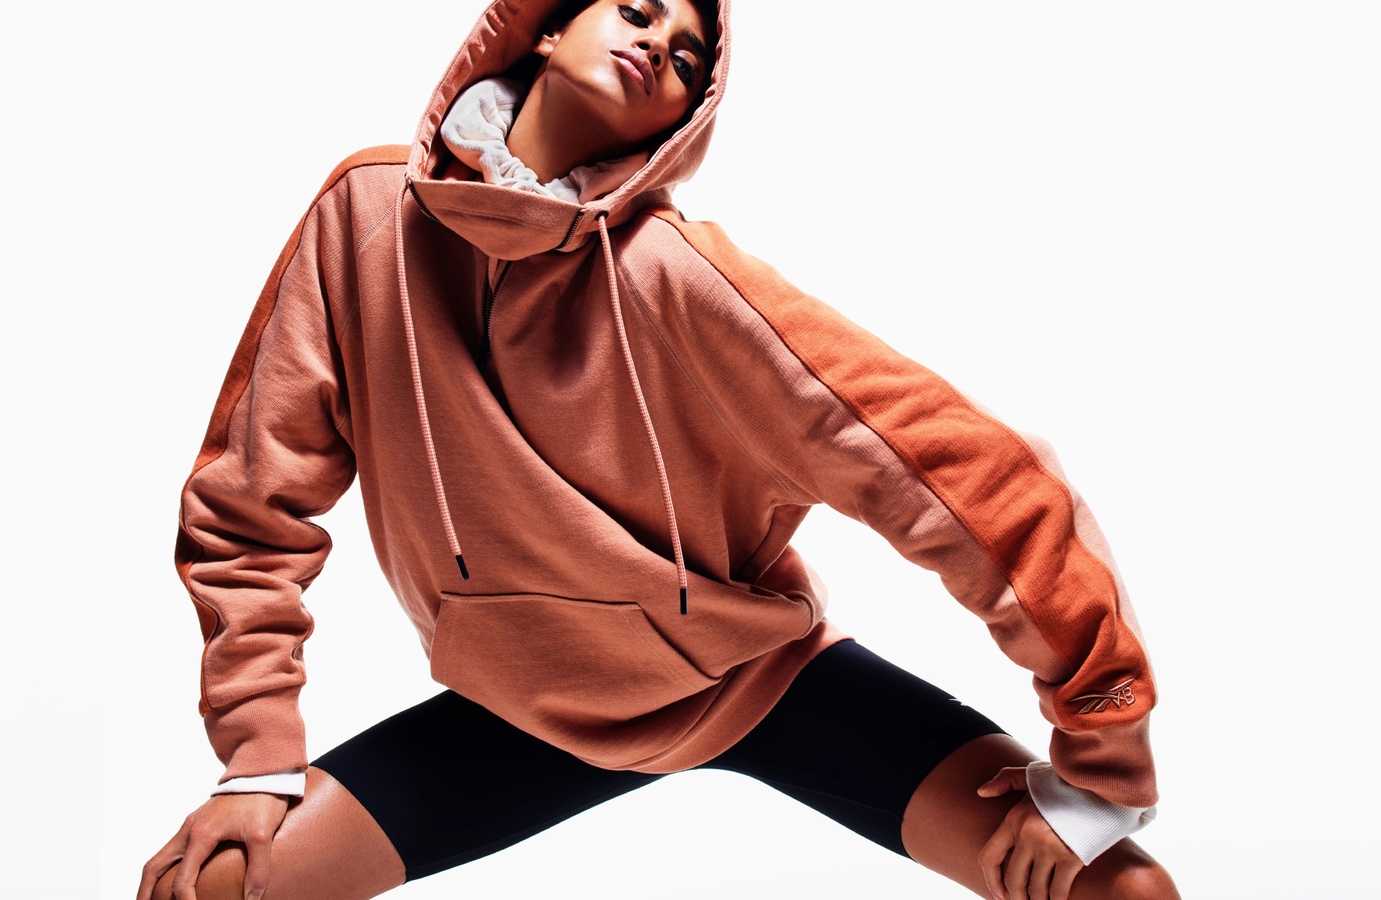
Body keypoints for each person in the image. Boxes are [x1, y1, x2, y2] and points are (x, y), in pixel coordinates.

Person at [138, 0, 1180, 897]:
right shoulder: (364, 217)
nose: (655, 42)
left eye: (687, 57)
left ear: (678, 123)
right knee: (208, 884)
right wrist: (258, 758)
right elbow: (247, 508)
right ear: (547, 31)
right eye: (636, 8)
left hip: (759, 686)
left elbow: (977, 480)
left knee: (1115, 886)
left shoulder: (680, 278)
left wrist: (1100, 766)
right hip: (523, 708)